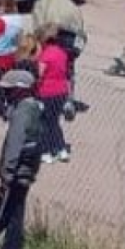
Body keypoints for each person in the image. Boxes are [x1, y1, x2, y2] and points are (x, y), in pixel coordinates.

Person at [0, 69, 45, 249]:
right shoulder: (36, 108)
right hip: (26, 171)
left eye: (9, 90)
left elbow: (14, 144)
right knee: (16, 213)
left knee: (1, 212)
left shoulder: (23, 112)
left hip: (15, 173)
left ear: (20, 90)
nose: (5, 94)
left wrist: (6, 172)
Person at [0, 0, 27, 117]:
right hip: (12, 54)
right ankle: (11, 106)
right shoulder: (18, 19)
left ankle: (0, 109)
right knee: (10, 82)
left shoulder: (0, 21)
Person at [37, 25, 72, 163]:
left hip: (47, 92)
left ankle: (46, 152)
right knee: (54, 122)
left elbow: (39, 74)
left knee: (44, 122)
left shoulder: (45, 55)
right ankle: (61, 149)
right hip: (62, 91)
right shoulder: (62, 53)